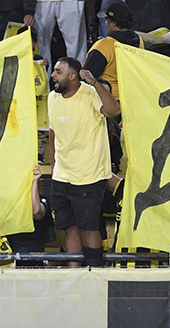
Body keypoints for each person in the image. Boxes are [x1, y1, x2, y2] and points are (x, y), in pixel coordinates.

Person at [46, 57, 120, 268]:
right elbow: (53, 133)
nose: (53, 75)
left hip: (89, 176)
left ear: (72, 76)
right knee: (68, 228)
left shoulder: (90, 94)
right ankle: (74, 276)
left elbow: (114, 111)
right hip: (62, 176)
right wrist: (53, 167)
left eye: (58, 72)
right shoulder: (52, 98)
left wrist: (95, 82)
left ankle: (94, 273)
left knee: (89, 228)